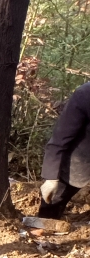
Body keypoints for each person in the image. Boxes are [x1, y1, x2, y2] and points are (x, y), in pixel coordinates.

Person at [39, 82, 90, 219]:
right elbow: (59, 139)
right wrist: (51, 178)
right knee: (52, 203)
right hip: (80, 160)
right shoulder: (85, 94)